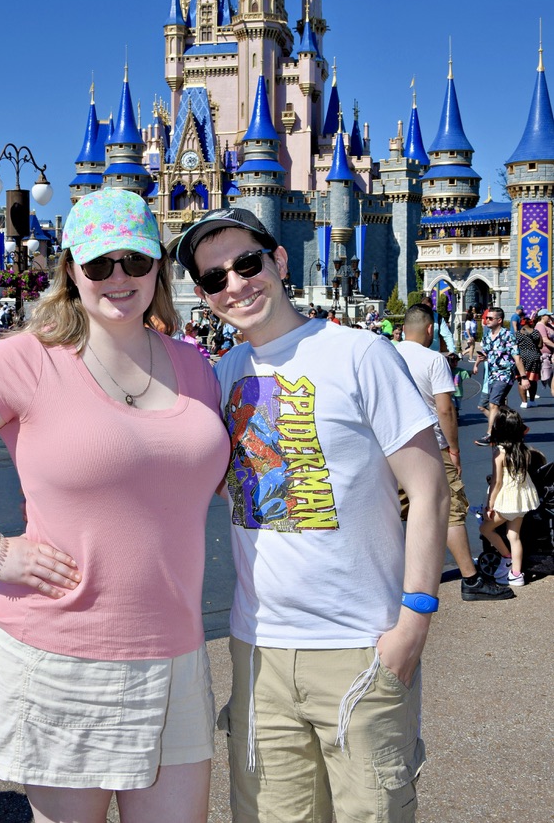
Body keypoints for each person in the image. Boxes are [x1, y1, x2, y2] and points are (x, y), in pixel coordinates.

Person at [0, 188, 230, 823]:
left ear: (158, 268)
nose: (118, 278)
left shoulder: (193, 365)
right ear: (71, 271)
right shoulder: (29, 360)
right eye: (98, 265)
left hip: (174, 649)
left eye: (134, 261)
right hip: (64, 653)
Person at [174, 206, 450, 823]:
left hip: (361, 648)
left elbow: (429, 487)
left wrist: (415, 621)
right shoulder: (222, 375)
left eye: (247, 264)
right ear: (203, 296)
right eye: (215, 279)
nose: (236, 284)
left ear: (278, 260)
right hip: (260, 650)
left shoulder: (361, 354)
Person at [397, 304, 513, 601]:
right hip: (428, 446)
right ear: (430, 330)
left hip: (389, 447)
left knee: (392, 510)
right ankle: (470, 580)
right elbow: (445, 408)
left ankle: (392, 577)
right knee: (450, 510)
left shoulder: (386, 354)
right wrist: (454, 448)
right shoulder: (433, 360)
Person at [479, 406, 541, 587]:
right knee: (514, 536)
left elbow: (496, 483)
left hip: (507, 501)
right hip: (522, 499)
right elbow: (525, 429)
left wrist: (489, 506)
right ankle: (516, 574)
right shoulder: (522, 448)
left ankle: (506, 558)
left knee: (486, 529)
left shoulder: (499, 452)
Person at [473, 308, 526, 446]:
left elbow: (517, 357)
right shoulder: (486, 336)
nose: (487, 320)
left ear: (499, 320)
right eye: (487, 318)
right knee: (500, 406)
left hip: (505, 374)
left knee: (493, 403)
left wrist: (524, 377)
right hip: (491, 375)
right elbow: (487, 354)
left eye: (490, 318)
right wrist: (479, 362)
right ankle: (519, 426)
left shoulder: (508, 335)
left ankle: (490, 434)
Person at [515, 317, 542, 408]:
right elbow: (540, 345)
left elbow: (514, 345)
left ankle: (524, 402)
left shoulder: (518, 333)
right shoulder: (535, 332)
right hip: (534, 356)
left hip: (522, 357)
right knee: (533, 380)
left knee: (521, 380)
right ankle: (532, 400)